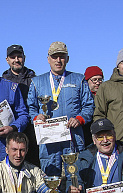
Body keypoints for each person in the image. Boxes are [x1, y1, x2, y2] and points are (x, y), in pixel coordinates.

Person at [27, 42, 94, 176]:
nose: (58, 60)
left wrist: (80, 119)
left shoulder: (79, 80)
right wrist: (36, 117)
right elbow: (30, 107)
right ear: (48, 59)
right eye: (54, 57)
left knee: (75, 177)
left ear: (67, 59)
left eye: (62, 57)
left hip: (72, 137)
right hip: (48, 141)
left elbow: (89, 105)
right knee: (50, 179)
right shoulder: (37, 82)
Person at [2, 44, 39, 167]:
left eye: (19, 56)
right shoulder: (3, 81)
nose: (16, 60)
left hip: (31, 128)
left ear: (24, 58)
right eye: (13, 57)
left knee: (33, 162)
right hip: (11, 128)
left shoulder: (35, 80)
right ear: (7, 60)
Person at [82, 66, 103, 147]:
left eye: (100, 79)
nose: (97, 83)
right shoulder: (82, 97)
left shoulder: (105, 96)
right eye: (94, 80)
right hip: (86, 133)